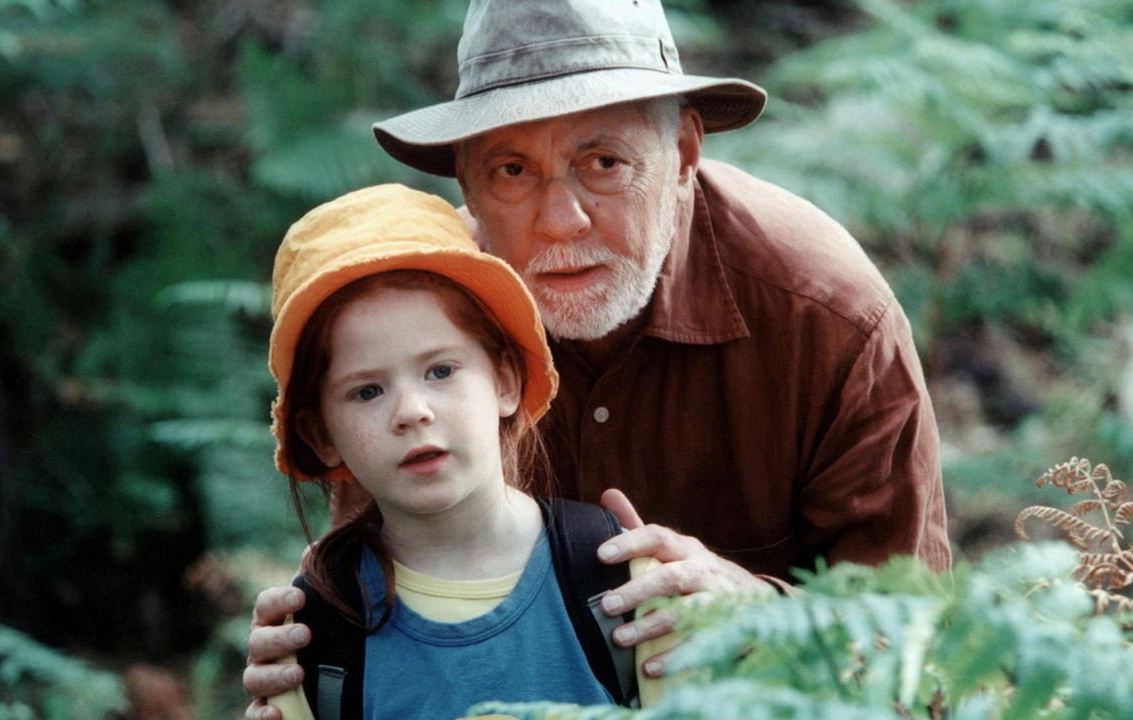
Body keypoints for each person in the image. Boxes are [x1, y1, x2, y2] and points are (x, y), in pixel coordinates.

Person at [244, 1, 951, 717]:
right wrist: (317, 660)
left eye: (603, 162)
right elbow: (379, 580)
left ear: (683, 154)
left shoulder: (828, 318)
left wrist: (757, 614)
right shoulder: (424, 315)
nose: (561, 219)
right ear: (467, 185)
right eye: (513, 170)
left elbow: (920, 652)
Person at [262, 184, 671, 719]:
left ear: (504, 381)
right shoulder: (316, 629)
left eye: (440, 371)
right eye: (367, 391)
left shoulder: (618, 577)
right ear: (321, 434)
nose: (412, 411)